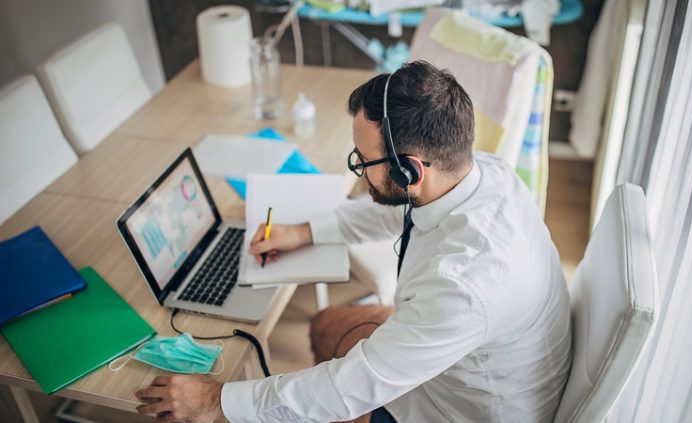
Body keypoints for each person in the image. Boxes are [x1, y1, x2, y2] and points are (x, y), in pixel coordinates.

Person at [134, 60, 572, 423]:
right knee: (326, 325)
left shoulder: (462, 284)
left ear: (410, 171)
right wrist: (304, 232)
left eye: (363, 161)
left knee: (328, 384)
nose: (358, 171)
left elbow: (350, 387)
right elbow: (398, 207)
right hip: (467, 365)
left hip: (459, 411)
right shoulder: (481, 171)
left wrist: (216, 401)